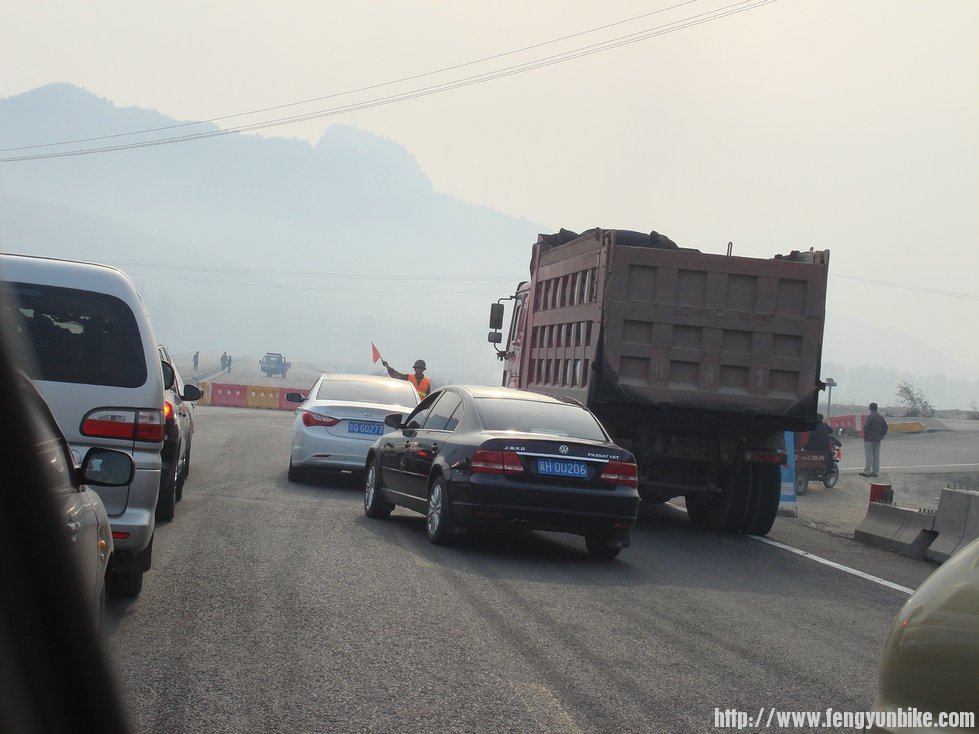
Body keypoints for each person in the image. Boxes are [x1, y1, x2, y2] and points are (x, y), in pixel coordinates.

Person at [860, 402, 888, 477]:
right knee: (876, 456)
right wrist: (881, 435)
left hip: (869, 439)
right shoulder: (880, 417)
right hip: (877, 439)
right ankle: (875, 472)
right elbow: (885, 427)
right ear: (877, 408)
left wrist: (866, 436)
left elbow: (866, 427)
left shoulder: (869, 417)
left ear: (870, 408)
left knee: (868, 456)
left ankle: (867, 472)